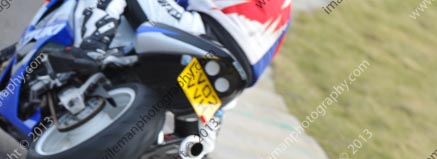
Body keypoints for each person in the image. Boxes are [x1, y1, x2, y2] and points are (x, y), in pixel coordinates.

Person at [75, 0, 292, 86]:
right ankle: (202, 138)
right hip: (238, 72)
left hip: (201, 31)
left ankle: (90, 49)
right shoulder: (286, 12)